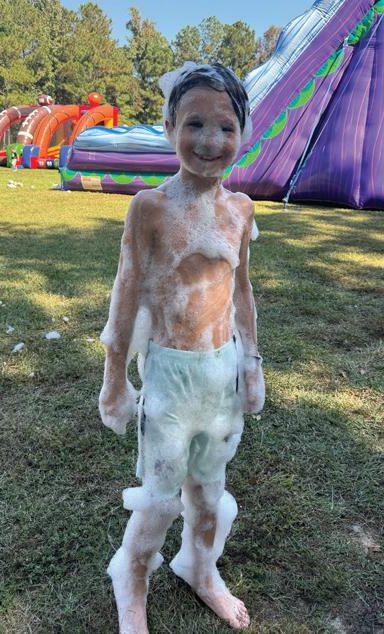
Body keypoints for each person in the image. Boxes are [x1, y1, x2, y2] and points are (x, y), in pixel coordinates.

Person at [99, 62, 265, 634]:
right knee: (160, 496)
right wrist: (115, 378)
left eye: (226, 127)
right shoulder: (150, 208)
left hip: (220, 374)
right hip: (170, 375)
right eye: (194, 124)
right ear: (169, 128)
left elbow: (241, 291)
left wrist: (251, 363)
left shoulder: (239, 210)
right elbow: (126, 294)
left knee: (210, 493)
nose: (210, 141)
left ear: (242, 133)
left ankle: (200, 567)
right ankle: (132, 575)